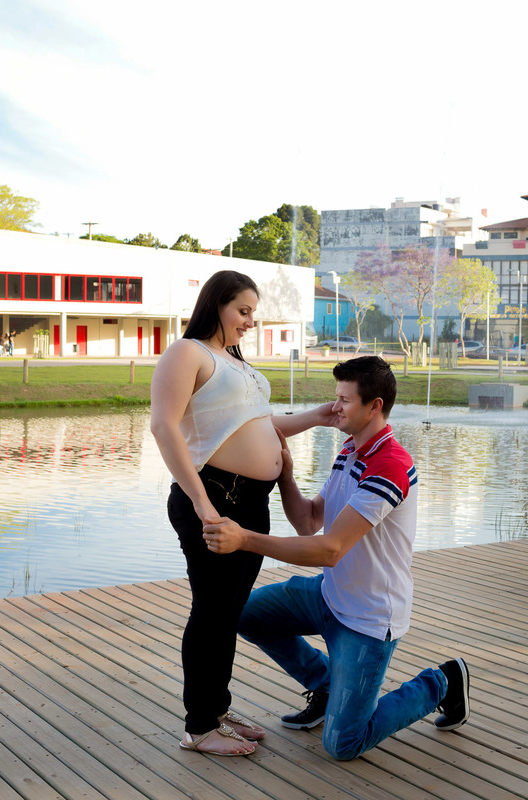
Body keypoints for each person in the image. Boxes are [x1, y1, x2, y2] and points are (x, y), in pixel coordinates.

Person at [203, 355, 471, 762]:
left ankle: (443, 682)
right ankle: (326, 684)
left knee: (343, 743)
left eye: (344, 400)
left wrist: (244, 539)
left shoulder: (389, 466)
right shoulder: (350, 450)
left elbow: (330, 549)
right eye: (336, 397)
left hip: (368, 617)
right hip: (329, 595)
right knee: (242, 613)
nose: (335, 407)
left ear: (374, 406)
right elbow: (309, 522)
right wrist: (286, 476)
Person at [150, 269, 337, 757]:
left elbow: (258, 424)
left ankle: (217, 710)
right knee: (212, 611)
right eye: (244, 311)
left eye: (254, 312)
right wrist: (202, 504)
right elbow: (164, 427)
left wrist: (316, 417)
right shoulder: (188, 353)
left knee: (228, 612)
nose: (251, 321)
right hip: (215, 498)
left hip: (252, 502)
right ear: (217, 304)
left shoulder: (234, 360)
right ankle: (199, 726)